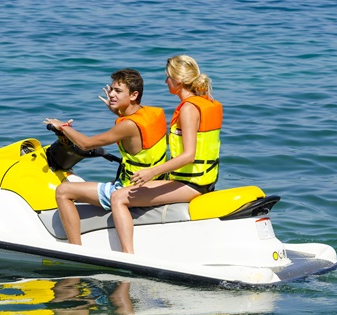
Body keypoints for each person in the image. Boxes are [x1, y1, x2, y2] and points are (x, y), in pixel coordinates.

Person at [110, 55, 223, 253]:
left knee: (118, 197)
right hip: (203, 180)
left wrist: (152, 172)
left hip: (190, 184)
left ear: (178, 81)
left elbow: (188, 155)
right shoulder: (205, 102)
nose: (165, 82)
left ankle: (128, 256)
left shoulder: (188, 109)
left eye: (168, 78)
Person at [43, 68, 167, 249]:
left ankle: (75, 249)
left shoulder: (128, 125)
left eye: (118, 91)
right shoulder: (151, 114)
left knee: (63, 191)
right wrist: (118, 112)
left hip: (129, 188)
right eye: (111, 90)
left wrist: (62, 127)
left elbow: (86, 144)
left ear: (133, 95)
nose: (111, 94)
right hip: (153, 182)